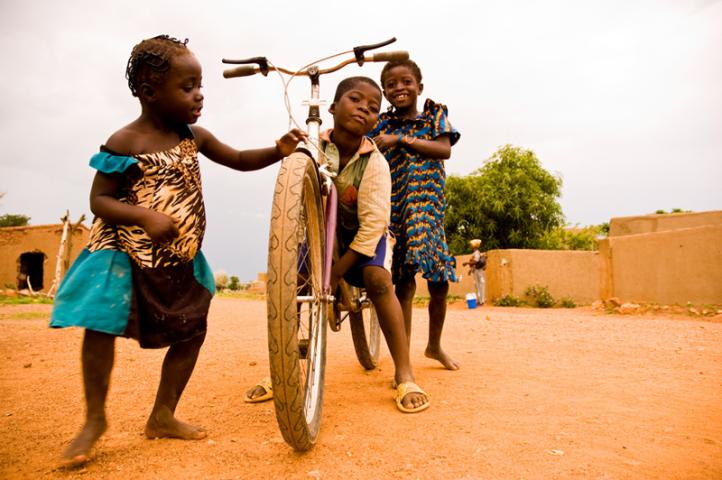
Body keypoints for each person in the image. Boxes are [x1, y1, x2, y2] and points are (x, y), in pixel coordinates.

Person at [49, 34, 306, 466]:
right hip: (124, 253)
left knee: (193, 330)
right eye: (187, 87)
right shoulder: (125, 142)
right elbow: (100, 201)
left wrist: (276, 152)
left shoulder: (195, 137)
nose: (199, 94)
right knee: (100, 326)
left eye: (199, 85)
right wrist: (145, 217)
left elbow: (240, 158)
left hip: (179, 256)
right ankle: (94, 421)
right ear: (150, 93)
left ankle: (163, 414)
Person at [246, 76, 430, 414]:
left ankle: (404, 372)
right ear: (331, 108)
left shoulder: (375, 162)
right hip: (322, 238)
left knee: (378, 280)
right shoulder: (311, 150)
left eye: (373, 108)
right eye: (355, 100)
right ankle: (286, 366)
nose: (364, 109)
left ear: (376, 120)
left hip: (363, 240)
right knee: (296, 276)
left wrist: (335, 273)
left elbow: (374, 225)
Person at [370, 59, 461, 371]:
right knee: (403, 284)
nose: (399, 88)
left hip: (429, 210)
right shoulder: (380, 124)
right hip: (394, 210)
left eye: (406, 82)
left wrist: (401, 140)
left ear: (419, 87)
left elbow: (443, 149)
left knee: (439, 283)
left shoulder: (435, 115)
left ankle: (434, 346)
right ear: (384, 92)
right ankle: (403, 359)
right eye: (392, 84)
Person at [463, 239, 486, 305]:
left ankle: (481, 301)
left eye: (472, 245)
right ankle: (479, 300)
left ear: (474, 247)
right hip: (476, 271)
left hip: (479, 271)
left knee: (480, 285)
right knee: (477, 285)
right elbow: (475, 264)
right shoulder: (475, 253)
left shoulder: (476, 253)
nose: (471, 247)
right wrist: (471, 270)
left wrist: (467, 263)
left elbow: (476, 261)